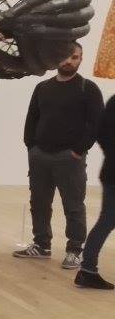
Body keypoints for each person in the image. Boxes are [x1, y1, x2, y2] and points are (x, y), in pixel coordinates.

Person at [16, 43, 104, 269]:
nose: (69, 61)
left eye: (74, 57)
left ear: (80, 59)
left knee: (73, 206)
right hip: (40, 156)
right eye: (65, 56)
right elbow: (32, 118)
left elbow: (96, 124)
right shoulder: (42, 88)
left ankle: (74, 250)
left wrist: (78, 150)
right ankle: (41, 245)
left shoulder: (88, 88)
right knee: (39, 203)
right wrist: (31, 146)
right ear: (57, 57)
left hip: (69, 158)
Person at [76, 91, 115, 290]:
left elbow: (102, 134)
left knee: (106, 221)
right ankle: (87, 270)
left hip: (111, 172)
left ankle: (87, 270)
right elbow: (103, 134)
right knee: (107, 221)